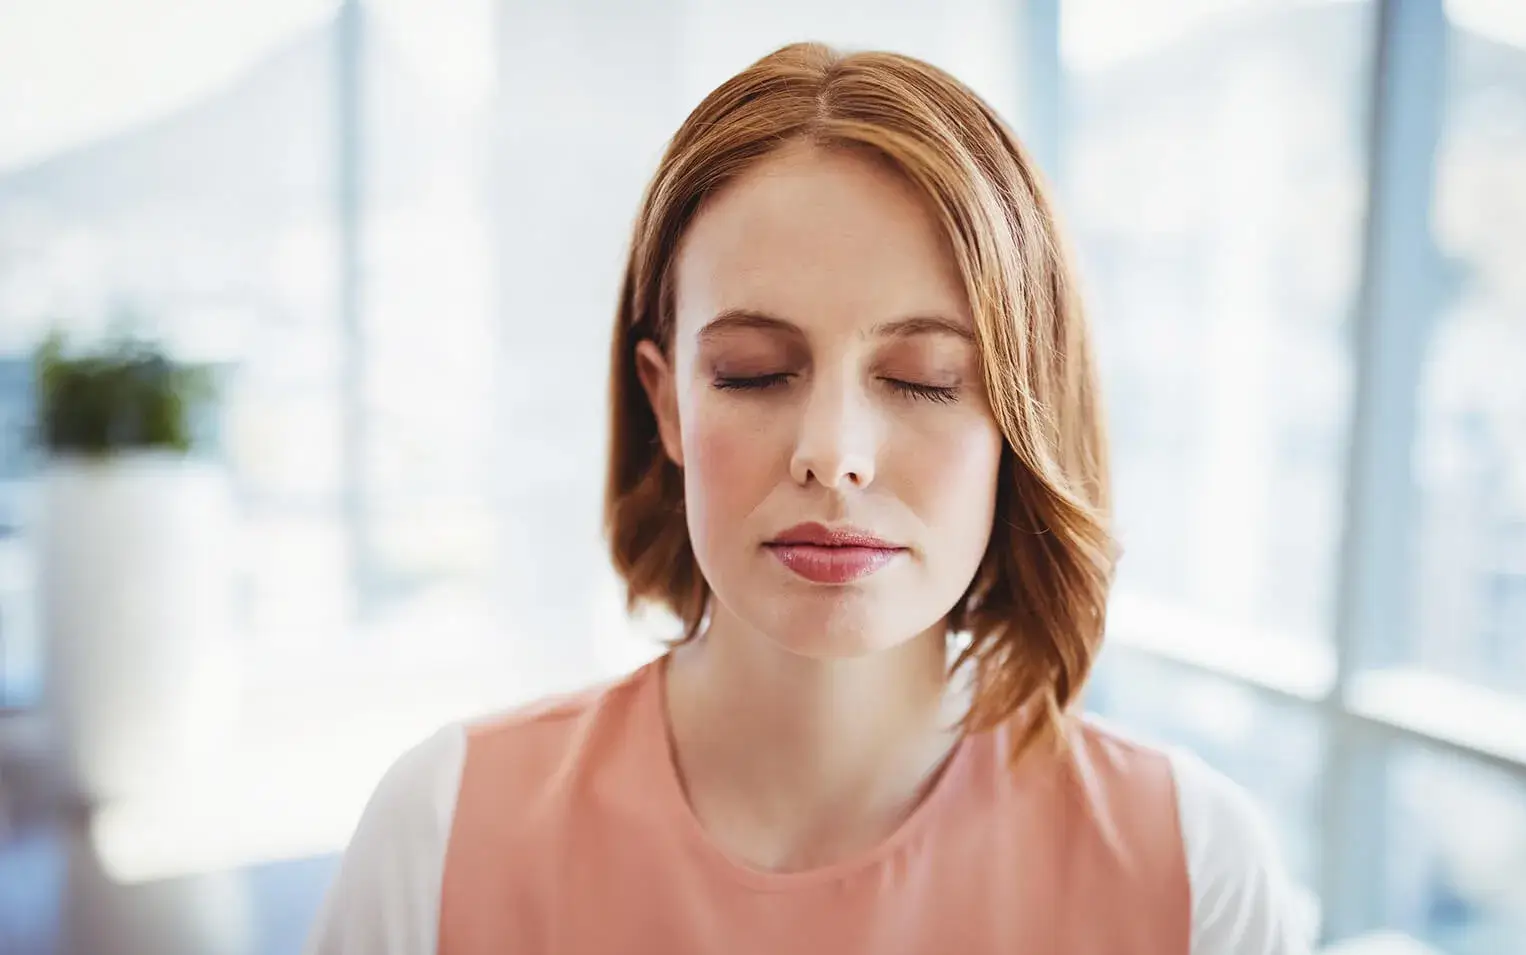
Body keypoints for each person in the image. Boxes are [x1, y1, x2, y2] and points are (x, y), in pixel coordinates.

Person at [306, 41, 1312, 955]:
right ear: (664, 403)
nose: (833, 457)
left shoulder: (1192, 873)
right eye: (751, 372)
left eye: (922, 377)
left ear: (1020, 415)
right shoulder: (442, 834)